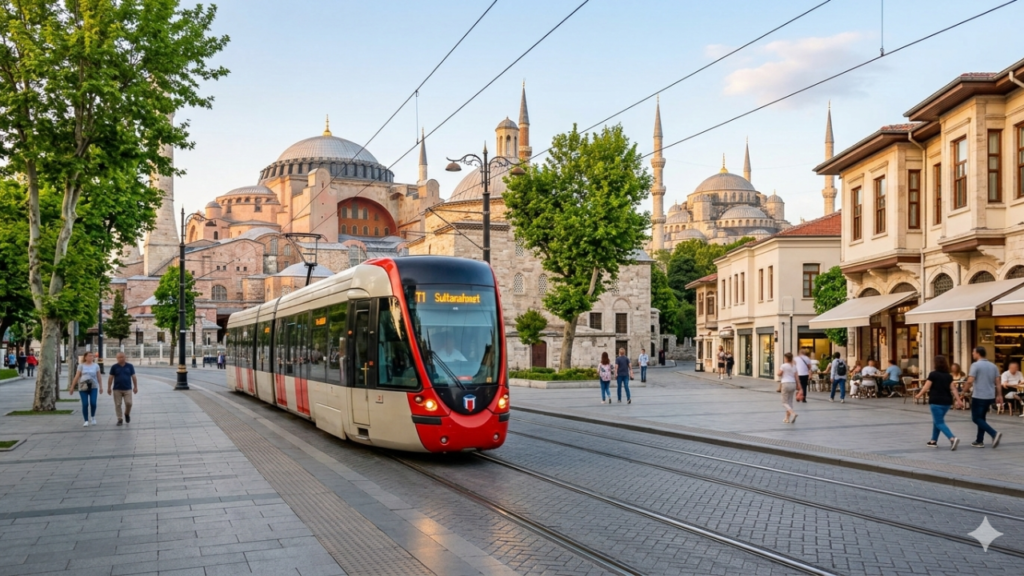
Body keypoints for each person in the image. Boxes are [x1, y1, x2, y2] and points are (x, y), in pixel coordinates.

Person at [915, 355, 962, 450]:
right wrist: (959, 400)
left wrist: (919, 395)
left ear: (936, 364)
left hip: (936, 401)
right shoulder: (948, 376)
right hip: (947, 402)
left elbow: (926, 387)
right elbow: (953, 389)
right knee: (937, 421)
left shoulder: (933, 374)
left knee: (939, 422)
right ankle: (933, 441)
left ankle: (952, 438)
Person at [964, 346, 1003, 448]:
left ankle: (994, 433)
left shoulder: (975, 365)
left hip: (979, 395)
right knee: (982, 418)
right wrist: (999, 395)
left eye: (973, 352)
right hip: (990, 395)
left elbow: (970, 380)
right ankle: (979, 440)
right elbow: (998, 382)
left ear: (978, 353)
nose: (972, 354)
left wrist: (963, 391)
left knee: (976, 418)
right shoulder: (993, 366)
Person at [69, 352, 103, 427]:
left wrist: (101, 387)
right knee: (85, 404)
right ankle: (86, 420)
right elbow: (77, 376)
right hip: (83, 386)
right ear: (85, 357)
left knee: (93, 403)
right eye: (89, 356)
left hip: (93, 386)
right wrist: (72, 387)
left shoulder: (96, 366)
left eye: (92, 356)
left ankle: (93, 417)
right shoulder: (81, 366)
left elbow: (99, 376)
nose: (91, 357)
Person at [107, 352, 138, 426]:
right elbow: (110, 378)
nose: (121, 359)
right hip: (117, 389)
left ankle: (127, 414)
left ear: (125, 357)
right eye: (119, 357)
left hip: (128, 388)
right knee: (118, 404)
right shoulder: (114, 367)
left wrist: (135, 386)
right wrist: (109, 387)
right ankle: (120, 419)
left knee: (129, 403)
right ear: (117, 358)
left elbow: (133, 376)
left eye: (123, 357)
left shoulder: (130, 366)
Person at [777, 352, 799, 424]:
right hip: (793, 384)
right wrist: (798, 385)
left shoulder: (783, 366)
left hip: (785, 384)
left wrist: (778, 372)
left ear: (786, 358)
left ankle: (793, 414)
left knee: (784, 402)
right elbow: (796, 377)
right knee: (790, 401)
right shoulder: (794, 366)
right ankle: (787, 418)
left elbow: (779, 374)